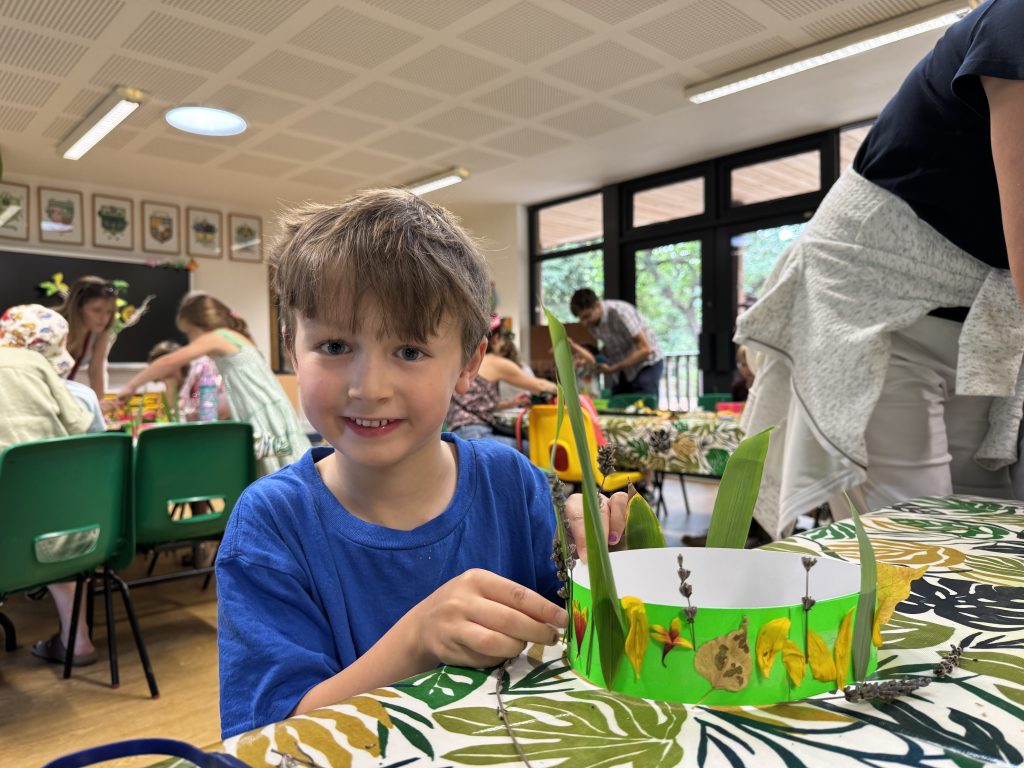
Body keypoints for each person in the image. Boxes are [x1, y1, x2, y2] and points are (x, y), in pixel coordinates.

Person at [214, 189, 567, 738]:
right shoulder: (272, 522)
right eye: (334, 346)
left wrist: (604, 563)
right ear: (291, 345)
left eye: (408, 351)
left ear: (469, 361)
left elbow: (569, 634)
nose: (367, 388)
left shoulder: (511, 482)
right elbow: (268, 738)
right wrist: (415, 642)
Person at [734, 0, 1024, 539]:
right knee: (915, 536)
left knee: (983, 519)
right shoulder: (1017, 23)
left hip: (978, 323)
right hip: (871, 304)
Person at [0, 304, 100, 666]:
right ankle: (79, 640)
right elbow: (79, 427)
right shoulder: (38, 366)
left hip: (6, 524)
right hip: (59, 526)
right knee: (56, 526)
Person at [117, 293, 310, 476]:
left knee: (272, 466)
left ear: (205, 325)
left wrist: (130, 387)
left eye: (191, 333)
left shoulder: (218, 336)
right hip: (270, 409)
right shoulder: (237, 337)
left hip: (259, 411)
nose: (191, 341)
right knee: (281, 461)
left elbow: (169, 361)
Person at [446, 314, 558, 451]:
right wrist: (567, 392)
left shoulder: (463, 362)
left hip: (456, 436)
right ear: (496, 338)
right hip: (477, 435)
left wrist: (511, 403)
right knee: (538, 449)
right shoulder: (494, 362)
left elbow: (477, 407)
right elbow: (540, 386)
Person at [568, 288, 664, 401]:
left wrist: (614, 368)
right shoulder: (592, 324)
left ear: (597, 305)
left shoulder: (620, 312)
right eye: (581, 319)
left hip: (646, 363)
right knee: (617, 404)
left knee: (644, 405)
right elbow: (611, 345)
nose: (584, 323)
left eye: (587, 316)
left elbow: (645, 349)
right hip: (623, 367)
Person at [58, 276, 117, 400]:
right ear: (78, 307)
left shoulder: (99, 334)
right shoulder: (53, 325)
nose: (104, 318)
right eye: (96, 310)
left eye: (109, 312)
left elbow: (96, 372)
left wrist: (99, 405)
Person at [147, 340, 230, 421]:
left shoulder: (200, 371)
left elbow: (209, 405)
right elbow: (176, 409)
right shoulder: (188, 382)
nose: (165, 377)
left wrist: (171, 387)